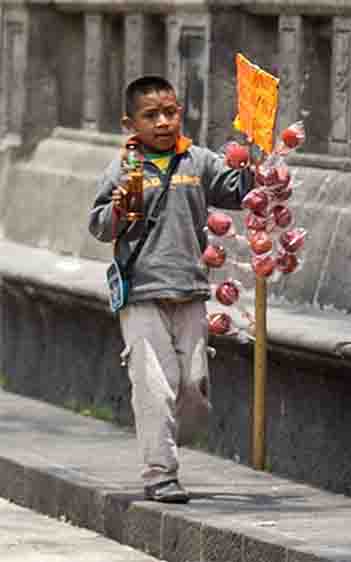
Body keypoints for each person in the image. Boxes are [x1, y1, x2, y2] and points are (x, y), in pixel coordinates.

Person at [88, 75, 250, 503]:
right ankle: (160, 472)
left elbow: (237, 192)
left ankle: (171, 439)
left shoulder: (197, 161)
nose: (163, 121)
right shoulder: (125, 167)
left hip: (191, 290)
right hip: (142, 292)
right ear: (130, 123)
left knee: (193, 387)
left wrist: (259, 166)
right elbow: (99, 226)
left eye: (170, 112)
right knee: (154, 386)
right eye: (151, 115)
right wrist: (122, 207)